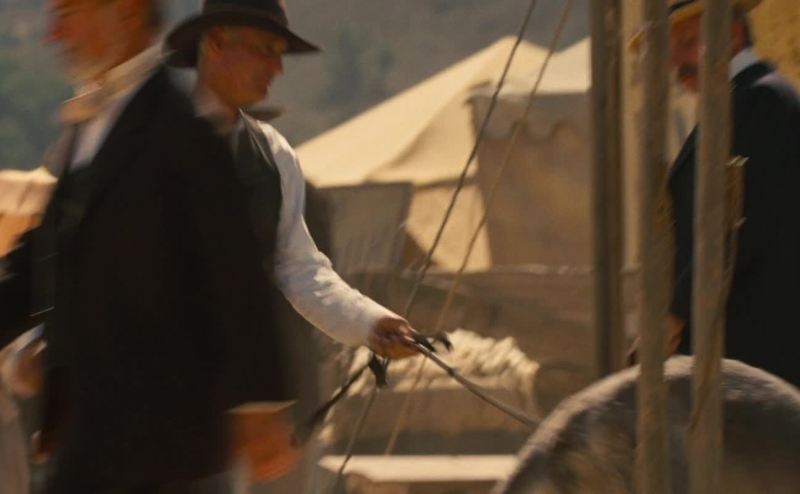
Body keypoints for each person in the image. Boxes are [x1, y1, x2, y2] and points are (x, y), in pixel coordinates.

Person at [0, 0, 297, 491]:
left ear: (127, 12)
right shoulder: (89, 129)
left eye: (70, 13)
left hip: (163, 455)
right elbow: (42, 259)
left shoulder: (181, 128)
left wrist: (258, 403)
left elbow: (235, 270)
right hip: (92, 445)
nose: (56, 35)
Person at [165, 0, 419, 363]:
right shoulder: (152, 143)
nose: (277, 68)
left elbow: (299, 269)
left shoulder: (272, 155)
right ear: (217, 42)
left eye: (280, 54)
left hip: (239, 372)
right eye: (267, 49)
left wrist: (370, 323)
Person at [633, 0, 800, 386]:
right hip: (734, 351)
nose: (676, 64)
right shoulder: (734, 103)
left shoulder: (762, 102)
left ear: (731, 35)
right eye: (672, 51)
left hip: (758, 353)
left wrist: (676, 313)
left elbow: (740, 224)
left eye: (688, 44)